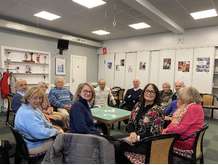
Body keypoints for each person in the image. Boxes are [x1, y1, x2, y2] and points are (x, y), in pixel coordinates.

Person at [116, 83, 164, 163]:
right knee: (113, 140)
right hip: (132, 137)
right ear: (144, 92)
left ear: (156, 95)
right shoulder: (138, 105)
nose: (149, 93)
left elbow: (156, 133)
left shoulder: (158, 110)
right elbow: (130, 122)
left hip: (146, 143)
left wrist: (137, 137)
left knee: (117, 146)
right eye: (147, 91)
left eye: (152, 92)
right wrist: (132, 132)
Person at [14, 87, 63, 156]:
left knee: (60, 132)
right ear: (28, 98)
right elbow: (39, 133)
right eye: (35, 98)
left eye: (40, 98)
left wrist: (52, 127)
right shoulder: (28, 113)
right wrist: (56, 131)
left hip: (28, 141)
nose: (38, 101)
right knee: (63, 141)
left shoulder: (28, 107)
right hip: (32, 145)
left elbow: (43, 122)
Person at [162, 87, 204, 162]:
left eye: (181, 97)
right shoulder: (196, 106)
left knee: (156, 142)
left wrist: (166, 130)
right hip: (190, 138)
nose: (180, 99)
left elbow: (181, 129)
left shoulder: (193, 108)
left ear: (188, 96)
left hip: (185, 141)